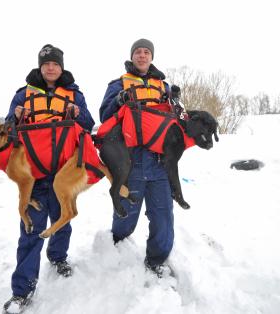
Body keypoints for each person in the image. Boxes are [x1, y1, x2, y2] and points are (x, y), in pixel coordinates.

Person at [3, 44, 95, 314]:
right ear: (40, 67)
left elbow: (88, 124)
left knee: (62, 220)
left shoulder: (75, 95)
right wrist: (14, 117)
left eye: (55, 64)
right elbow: (8, 129)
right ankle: (22, 291)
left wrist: (80, 115)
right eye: (46, 64)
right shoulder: (22, 95)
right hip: (33, 176)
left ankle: (58, 257)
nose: (51, 68)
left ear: (61, 67)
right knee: (30, 230)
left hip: (63, 173)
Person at [99, 39, 176, 278]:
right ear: (132, 56)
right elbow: (104, 115)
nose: (142, 56)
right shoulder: (118, 83)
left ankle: (157, 260)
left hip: (160, 161)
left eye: (146, 52)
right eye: (138, 52)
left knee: (163, 216)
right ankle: (117, 245)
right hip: (130, 161)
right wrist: (118, 100)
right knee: (125, 215)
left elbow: (174, 119)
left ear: (151, 56)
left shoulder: (164, 86)